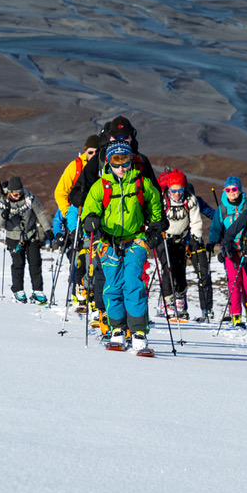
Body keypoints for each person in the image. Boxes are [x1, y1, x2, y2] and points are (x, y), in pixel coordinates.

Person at [70, 117, 162, 322]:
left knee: (133, 277)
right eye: (116, 137)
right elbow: (75, 194)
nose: (120, 140)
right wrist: (90, 211)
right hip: (103, 230)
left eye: (125, 137)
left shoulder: (139, 161)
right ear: (107, 136)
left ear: (132, 137)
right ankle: (107, 316)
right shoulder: (99, 160)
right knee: (105, 274)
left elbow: (154, 194)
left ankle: (132, 320)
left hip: (134, 230)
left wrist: (156, 225)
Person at [79, 141, 165, 353]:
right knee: (113, 286)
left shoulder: (142, 184)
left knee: (133, 283)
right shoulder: (101, 186)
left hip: (136, 240)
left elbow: (156, 207)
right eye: (116, 161)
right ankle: (117, 329)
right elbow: (89, 211)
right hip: (108, 243)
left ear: (130, 160)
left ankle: (138, 332)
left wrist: (155, 229)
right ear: (108, 161)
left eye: (124, 160)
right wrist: (89, 220)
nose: (121, 166)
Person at [156, 168, 208, 321]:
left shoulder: (190, 200)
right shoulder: (162, 200)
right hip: (164, 238)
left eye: (180, 190)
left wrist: (195, 236)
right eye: (174, 190)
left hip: (180, 239)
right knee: (168, 269)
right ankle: (169, 303)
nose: (177, 193)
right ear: (169, 188)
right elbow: (154, 217)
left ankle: (180, 299)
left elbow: (196, 220)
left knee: (180, 270)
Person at [210, 176, 247, 327]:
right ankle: (236, 316)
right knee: (234, 282)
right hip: (230, 250)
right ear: (225, 191)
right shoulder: (222, 208)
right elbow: (215, 227)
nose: (232, 192)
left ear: (240, 190)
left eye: (234, 189)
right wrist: (212, 243)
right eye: (228, 190)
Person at [54, 135, 100, 304]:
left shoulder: (102, 167)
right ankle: (77, 288)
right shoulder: (75, 166)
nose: (94, 155)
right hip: (76, 215)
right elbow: (60, 193)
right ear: (85, 151)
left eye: (97, 152)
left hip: (92, 217)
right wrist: (68, 216)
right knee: (78, 256)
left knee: (93, 257)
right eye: (91, 152)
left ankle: (91, 290)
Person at [0, 175, 53, 304]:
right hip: (13, 237)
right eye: (15, 194)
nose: (17, 196)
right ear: (9, 192)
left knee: (35, 262)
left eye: (19, 193)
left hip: (31, 234)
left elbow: (40, 213)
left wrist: (47, 229)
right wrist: (4, 215)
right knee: (18, 263)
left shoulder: (29, 197)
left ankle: (37, 291)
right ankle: (18, 291)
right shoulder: (3, 201)